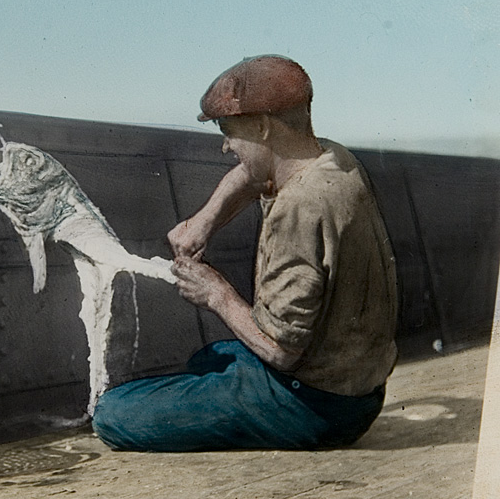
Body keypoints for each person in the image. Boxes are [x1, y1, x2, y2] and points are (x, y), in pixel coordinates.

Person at [92, 55, 398, 451]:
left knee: (113, 413)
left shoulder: (299, 206)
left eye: (228, 131)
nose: (225, 146)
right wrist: (204, 221)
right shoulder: (333, 160)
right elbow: (253, 175)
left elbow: (281, 351)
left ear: (263, 126)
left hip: (313, 406)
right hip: (360, 388)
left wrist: (215, 293)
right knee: (210, 357)